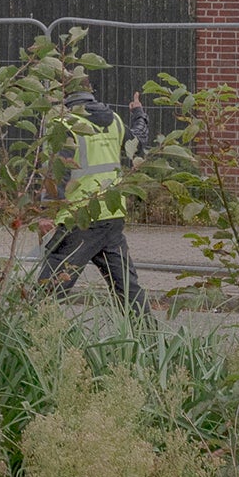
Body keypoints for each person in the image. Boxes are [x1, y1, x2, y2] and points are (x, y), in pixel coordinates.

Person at [39, 85, 153, 310]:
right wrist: (139, 114)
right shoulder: (115, 121)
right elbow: (138, 143)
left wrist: (47, 213)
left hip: (79, 218)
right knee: (127, 290)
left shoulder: (65, 124)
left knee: (49, 289)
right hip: (112, 216)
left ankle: (36, 338)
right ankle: (149, 340)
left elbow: (56, 174)